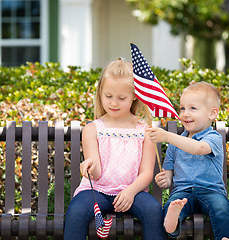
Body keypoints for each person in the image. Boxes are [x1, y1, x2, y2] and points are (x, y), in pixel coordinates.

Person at [64, 58, 167, 240]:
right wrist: (89, 166)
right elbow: (95, 173)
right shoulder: (92, 129)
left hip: (133, 192)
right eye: (108, 96)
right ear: (100, 93)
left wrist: (130, 191)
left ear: (135, 95)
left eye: (121, 98)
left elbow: (146, 173)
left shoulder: (145, 131)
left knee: (153, 210)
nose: (113, 103)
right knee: (77, 210)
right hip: (97, 191)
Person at [146, 81, 229, 240]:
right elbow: (168, 173)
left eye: (193, 108)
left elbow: (199, 148)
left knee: (222, 208)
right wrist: (164, 180)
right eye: (182, 108)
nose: (185, 113)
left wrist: (167, 136)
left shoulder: (213, 138)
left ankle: (225, 238)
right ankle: (172, 224)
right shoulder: (175, 143)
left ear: (212, 114)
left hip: (211, 191)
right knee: (172, 204)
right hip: (183, 191)